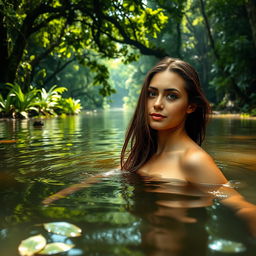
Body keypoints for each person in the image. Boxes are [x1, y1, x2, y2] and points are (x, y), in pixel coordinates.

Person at [43, 57, 256, 238]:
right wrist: (57, 197)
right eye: (152, 93)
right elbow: (115, 172)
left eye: (171, 96)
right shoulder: (145, 153)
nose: (157, 104)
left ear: (190, 106)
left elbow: (240, 205)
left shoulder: (193, 160)